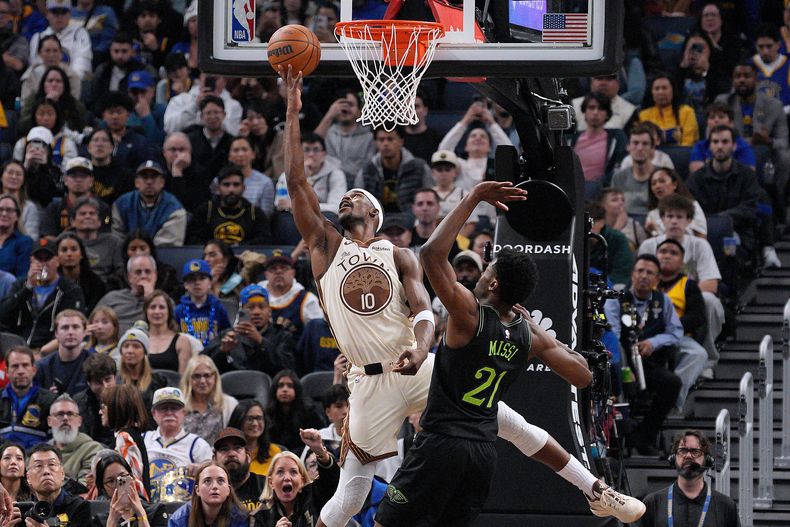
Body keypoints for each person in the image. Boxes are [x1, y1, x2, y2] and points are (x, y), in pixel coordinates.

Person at [278, 67, 644, 527]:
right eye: (343, 197)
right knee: (351, 492)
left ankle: (594, 489)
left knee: (507, 421)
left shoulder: (401, 254)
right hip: (368, 383)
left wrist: (421, 346)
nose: (347, 198)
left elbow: (423, 312)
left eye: (357, 196)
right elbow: (296, 183)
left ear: (374, 212)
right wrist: (292, 111)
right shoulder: (325, 246)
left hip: (413, 361)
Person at [639, 195, 726, 380]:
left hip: (688, 302)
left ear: (689, 221)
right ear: (662, 219)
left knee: (710, 301)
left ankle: (709, 360)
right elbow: (639, 279)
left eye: (679, 217)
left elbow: (711, 284)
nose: (674, 221)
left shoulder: (699, 245)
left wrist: (679, 296)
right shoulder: (649, 245)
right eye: (669, 216)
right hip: (654, 302)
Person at [617, 255, 683, 455]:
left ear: (657, 279)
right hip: (622, 360)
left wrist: (653, 343)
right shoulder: (618, 297)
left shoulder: (663, 301)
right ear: (632, 274)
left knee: (673, 383)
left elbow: (675, 332)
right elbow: (610, 330)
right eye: (640, 271)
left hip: (649, 361)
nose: (644, 276)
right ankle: (616, 439)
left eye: (649, 273)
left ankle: (644, 435)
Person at [641, 430, 740, 527]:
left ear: (707, 460)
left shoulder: (726, 506)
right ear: (673, 458)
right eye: (682, 450)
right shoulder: (652, 503)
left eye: (695, 451)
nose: (688, 456)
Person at [0, 237, 85, 347]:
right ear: (31, 261)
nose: (43, 264)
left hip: (50, 350)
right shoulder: (20, 285)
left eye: (48, 258)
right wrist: (28, 288)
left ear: (57, 261)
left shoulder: (69, 289)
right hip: (16, 348)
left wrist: (45, 352)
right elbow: (3, 315)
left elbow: (73, 326)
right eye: (39, 259)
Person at [656, 240, 709, 412]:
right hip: (645, 336)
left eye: (673, 253)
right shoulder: (645, 279)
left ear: (681, 262)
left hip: (677, 336)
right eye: (663, 251)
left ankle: (671, 399)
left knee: (698, 354)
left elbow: (697, 316)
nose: (667, 255)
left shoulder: (688, 285)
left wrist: (671, 326)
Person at [204, 284, 296, 377]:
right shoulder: (228, 335)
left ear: (269, 311)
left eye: (261, 307)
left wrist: (261, 341)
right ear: (241, 311)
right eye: (250, 307)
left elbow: (287, 369)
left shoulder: (282, 336)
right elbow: (203, 365)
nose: (256, 312)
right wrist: (222, 351)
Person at [143, 387, 213, 501]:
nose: (169, 413)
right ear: (154, 413)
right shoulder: (143, 439)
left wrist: (201, 469)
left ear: (184, 413)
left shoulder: (197, 444)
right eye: (163, 408)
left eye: (174, 408)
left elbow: (213, 474)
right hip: (147, 504)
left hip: (183, 506)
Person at [6, 444, 91, 527]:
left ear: (62, 473)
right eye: (38, 466)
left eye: (52, 464)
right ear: (28, 478)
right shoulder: (22, 511)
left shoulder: (80, 507)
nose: (46, 471)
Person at [186, 165, 272, 246]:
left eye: (236, 185)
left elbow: (264, 240)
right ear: (218, 188)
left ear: (243, 188)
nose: (231, 189)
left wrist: (236, 248)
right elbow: (194, 239)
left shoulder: (255, 213)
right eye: (226, 185)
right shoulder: (205, 210)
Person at [356, 126, 433, 214]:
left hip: (411, 220)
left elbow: (430, 198)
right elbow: (358, 203)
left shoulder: (419, 167)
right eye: (381, 140)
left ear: (401, 142)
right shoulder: (366, 170)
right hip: (377, 220)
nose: (385, 144)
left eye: (390, 139)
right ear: (376, 143)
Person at [112, 160, 187, 247]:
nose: (149, 182)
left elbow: (167, 247)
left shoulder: (174, 209)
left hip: (160, 258)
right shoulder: (121, 204)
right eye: (144, 177)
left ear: (162, 182)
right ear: (136, 182)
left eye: (154, 177)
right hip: (126, 256)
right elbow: (117, 240)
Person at [252, 450, 337, 527]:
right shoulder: (260, 515)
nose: (287, 478)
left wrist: (320, 451)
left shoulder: (315, 498)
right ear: (271, 482)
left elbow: (331, 480)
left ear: (302, 481)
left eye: (293, 472)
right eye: (280, 472)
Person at [570, 92, 627, 198]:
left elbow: (619, 166)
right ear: (584, 112)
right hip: (574, 188)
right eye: (591, 108)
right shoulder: (571, 139)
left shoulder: (617, 137)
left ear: (607, 114)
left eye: (601, 109)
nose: (595, 112)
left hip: (603, 190)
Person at [314, 89, 376, 187]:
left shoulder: (369, 137)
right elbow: (312, 142)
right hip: (330, 184)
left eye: (350, 105)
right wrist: (330, 115)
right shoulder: (328, 133)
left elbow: (368, 169)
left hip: (359, 186)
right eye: (342, 105)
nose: (345, 109)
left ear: (359, 111)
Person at [0, 346, 56, 448]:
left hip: (36, 460)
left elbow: (55, 441)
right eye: (15, 366)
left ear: (34, 370)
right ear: (7, 371)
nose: (21, 371)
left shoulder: (50, 401)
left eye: (25, 365)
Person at [100, 383, 150, 497]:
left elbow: (132, 482)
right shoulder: (130, 435)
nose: (100, 412)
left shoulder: (124, 437)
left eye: (103, 407)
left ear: (116, 408)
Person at [259, 253, 322, 338]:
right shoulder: (254, 295)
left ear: (293, 273)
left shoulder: (308, 299)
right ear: (266, 274)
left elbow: (318, 333)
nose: (278, 272)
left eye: (283, 268)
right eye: (273, 269)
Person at [168, 462, 249, 527]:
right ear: (197, 490)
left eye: (220, 481)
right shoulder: (178, 520)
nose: (214, 486)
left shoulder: (240, 518)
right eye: (207, 481)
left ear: (228, 490)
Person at [46, 393, 103, 485]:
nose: (65, 418)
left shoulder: (92, 450)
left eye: (70, 414)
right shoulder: (42, 451)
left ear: (79, 421)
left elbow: (84, 487)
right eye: (60, 414)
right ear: (49, 421)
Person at [181, 355, 238, 445]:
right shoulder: (179, 405)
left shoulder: (230, 404)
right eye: (196, 376)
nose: (202, 381)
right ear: (189, 379)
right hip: (184, 456)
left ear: (215, 377)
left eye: (207, 375)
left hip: (217, 457)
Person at [28, 0, 92, 80]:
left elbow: (82, 63)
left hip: (72, 83)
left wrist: (65, 82)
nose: (59, 16)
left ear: (70, 14)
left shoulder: (79, 33)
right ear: (47, 14)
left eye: (63, 12)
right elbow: (35, 66)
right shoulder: (38, 38)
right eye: (55, 12)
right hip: (43, 84)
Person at [175, 259, 231, 347]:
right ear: (185, 285)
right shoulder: (178, 310)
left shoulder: (219, 308)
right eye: (192, 279)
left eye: (202, 278)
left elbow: (226, 333)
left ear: (210, 283)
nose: (197, 283)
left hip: (214, 356)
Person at [35, 309, 92, 395]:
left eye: (75, 327)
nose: (70, 332)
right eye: (65, 327)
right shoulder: (42, 367)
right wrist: (47, 398)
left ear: (84, 332)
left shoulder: (95, 364)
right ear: (56, 333)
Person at [265, 370, 324, 452]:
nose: (285, 389)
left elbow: (319, 440)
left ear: (297, 389)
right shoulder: (268, 414)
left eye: (290, 386)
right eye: (280, 386)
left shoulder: (310, 413)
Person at [609, 123, 661, 215]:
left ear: (652, 148)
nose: (640, 148)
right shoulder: (618, 178)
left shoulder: (662, 176)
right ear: (628, 147)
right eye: (635, 143)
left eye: (645, 144)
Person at [97, 255, 157, 333]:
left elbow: (167, 330)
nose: (143, 276)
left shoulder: (163, 301)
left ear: (155, 276)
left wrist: (151, 298)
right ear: (129, 277)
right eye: (138, 272)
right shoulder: (112, 297)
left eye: (147, 272)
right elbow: (92, 324)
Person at [213, 427, 267, 512]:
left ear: (248, 457)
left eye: (237, 448)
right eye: (224, 449)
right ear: (214, 459)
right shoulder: (209, 491)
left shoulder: (266, 486)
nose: (231, 454)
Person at [70, 197, 124, 282]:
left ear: (99, 221)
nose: (87, 216)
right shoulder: (65, 241)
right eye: (82, 214)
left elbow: (121, 271)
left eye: (92, 213)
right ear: (72, 221)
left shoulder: (114, 243)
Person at [644, 167, 708, 238]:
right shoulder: (652, 215)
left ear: (674, 184)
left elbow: (701, 237)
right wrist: (651, 232)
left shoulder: (692, 205)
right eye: (653, 183)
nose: (657, 186)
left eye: (662, 181)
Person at [639, 74, 699, 147]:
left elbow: (688, 144)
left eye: (664, 88)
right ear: (652, 92)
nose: (660, 92)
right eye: (657, 88)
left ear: (673, 90)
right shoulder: (643, 115)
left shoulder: (686, 112)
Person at [228, 400, 283, 477]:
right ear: (238, 421)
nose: (255, 423)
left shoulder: (274, 452)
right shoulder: (227, 454)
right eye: (250, 419)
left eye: (259, 418)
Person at [54, 232, 107, 312]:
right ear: (57, 256)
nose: (69, 254)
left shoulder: (96, 284)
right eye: (64, 250)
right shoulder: (51, 283)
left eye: (74, 249)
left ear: (81, 254)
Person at [117, 326, 168, 408]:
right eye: (126, 346)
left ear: (145, 352)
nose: (130, 351)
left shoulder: (159, 381)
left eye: (136, 346)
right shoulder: (115, 381)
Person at [162, 131, 212, 212]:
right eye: (173, 149)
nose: (177, 154)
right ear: (164, 153)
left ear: (190, 152)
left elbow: (185, 206)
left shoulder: (200, 174)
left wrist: (177, 171)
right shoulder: (158, 172)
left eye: (182, 150)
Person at [74, 352, 116, 446]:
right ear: (89, 383)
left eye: (108, 379)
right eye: (98, 382)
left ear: (115, 377)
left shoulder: (126, 399)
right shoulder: (78, 404)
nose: (105, 386)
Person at [144, 290, 191, 373]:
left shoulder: (182, 341)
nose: (157, 312)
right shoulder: (140, 340)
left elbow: (183, 380)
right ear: (146, 311)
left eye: (162, 307)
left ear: (169, 311)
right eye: (152, 307)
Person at [571, 74, 637, 132]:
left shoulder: (629, 110)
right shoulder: (574, 105)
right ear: (591, 82)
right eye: (599, 78)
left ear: (618, 83)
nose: (603, 83)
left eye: (609, 79)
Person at [0, 162, 39, 240]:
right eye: (10, 172)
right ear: (1, 177)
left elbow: (31, 237)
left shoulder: (29, 207)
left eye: (18, 174)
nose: (14, 177)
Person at [0, 193, 32, 278]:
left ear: (17, 216)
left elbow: (22, 278)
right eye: (0, 209)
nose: (4, 214)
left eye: (9, 210)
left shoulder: (24, 242)